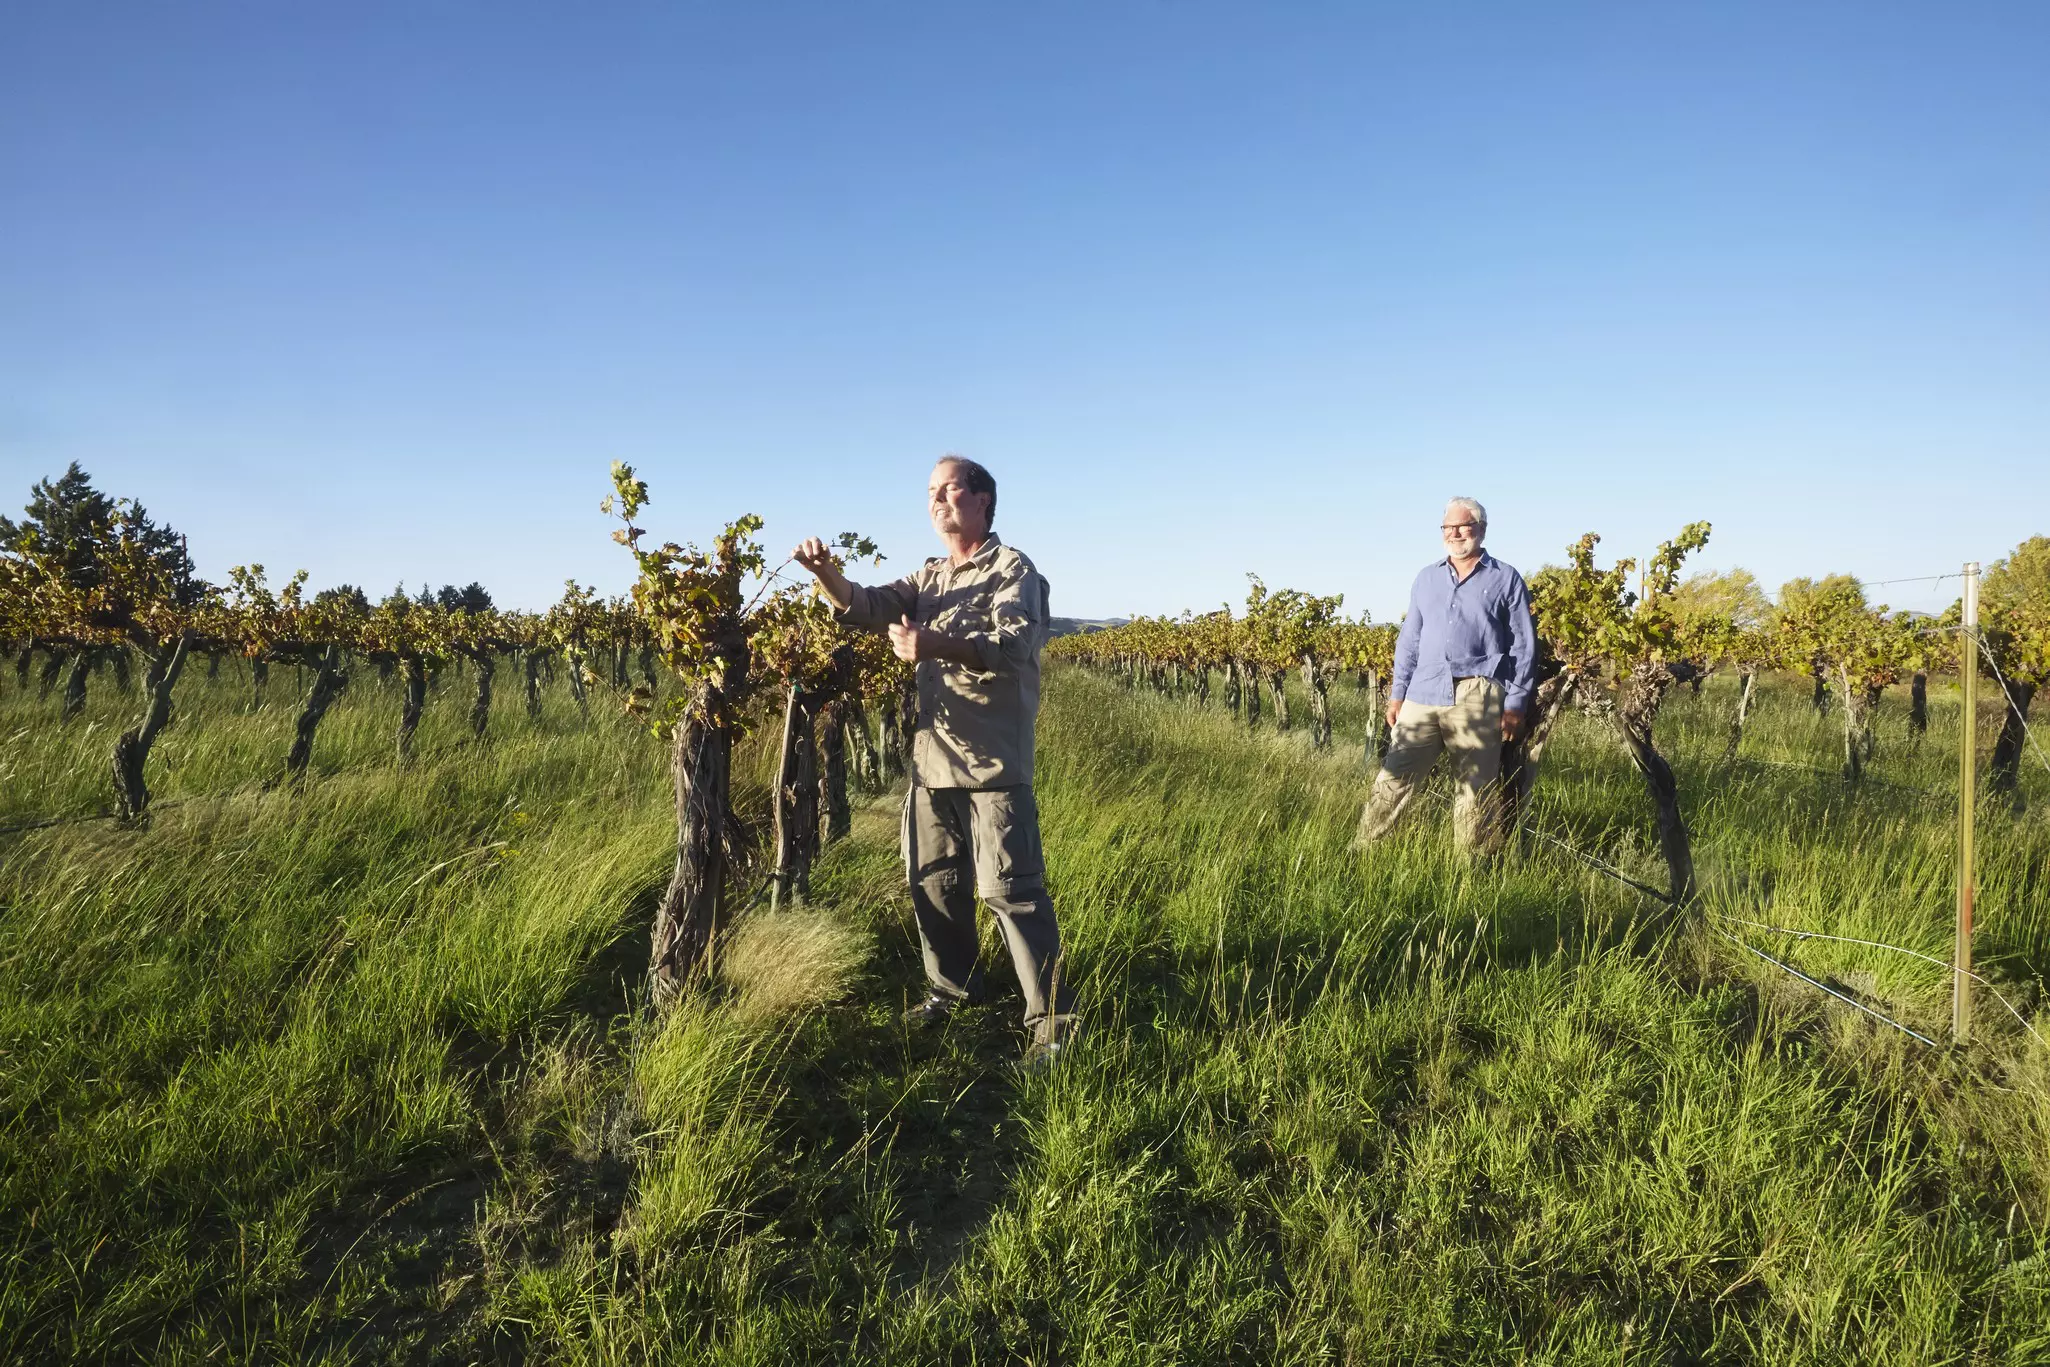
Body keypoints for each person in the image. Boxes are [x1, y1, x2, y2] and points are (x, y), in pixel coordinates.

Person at [793, 456, 1077, 1067]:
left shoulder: (1012, 570)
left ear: (982, 500)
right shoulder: (929, 578)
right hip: (934, 763)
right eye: (929, 492)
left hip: (995, 766)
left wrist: (935, 644)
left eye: (949, 489)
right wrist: (825, 575)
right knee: (935, 885)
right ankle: (952, 993)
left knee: (1012, 891)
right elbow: (867, 605)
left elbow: (1014, 644)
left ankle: (1052, 1027)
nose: (937, 501)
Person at [1355, 496, 1537, 855]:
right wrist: (1397, 693)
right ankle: (1363, 851)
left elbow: (1523, 646)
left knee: (1475, 788)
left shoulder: (1506, 578)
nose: (1455, 533)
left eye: (1463, 526)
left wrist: (1515, 704)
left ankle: (1473, 870)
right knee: (1394, 776)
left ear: (1481, 530)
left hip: (1477, 691)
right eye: (1448, 527)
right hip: (1423, 690)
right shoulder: (1427, 578)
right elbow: (1410, 640)